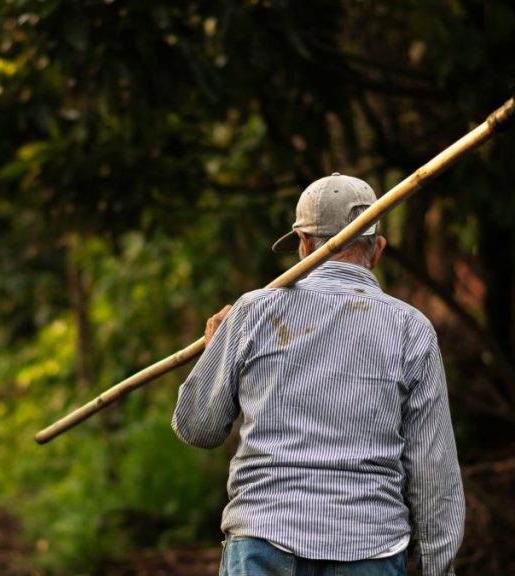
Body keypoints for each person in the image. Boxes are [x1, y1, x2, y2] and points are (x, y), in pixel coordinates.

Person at [172, 173, 464, 576]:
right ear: (377, 249)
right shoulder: (411, 330)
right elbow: (434, 475)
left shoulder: (252, 313)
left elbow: (197, 427)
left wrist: (212, 353)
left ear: (304, 245)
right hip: (371, 550)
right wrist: (438, 570)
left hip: (263, 542)